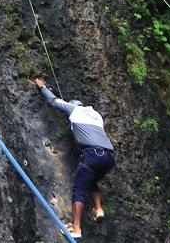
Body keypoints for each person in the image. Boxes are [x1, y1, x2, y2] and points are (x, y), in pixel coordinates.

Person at [34, 78, 115, 239]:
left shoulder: (75, 110)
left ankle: (76, 228)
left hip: (92, 154)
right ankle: (98, 209)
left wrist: (42, 86)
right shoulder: (97, 116)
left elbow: (54, 101)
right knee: (91, 181)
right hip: (109, 157)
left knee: (78, 188)